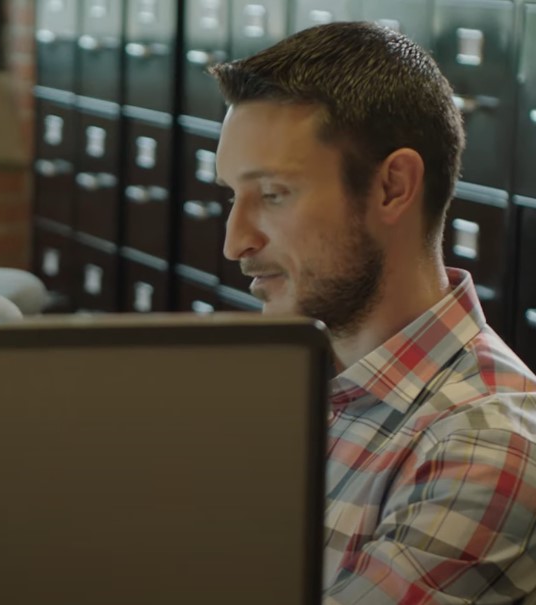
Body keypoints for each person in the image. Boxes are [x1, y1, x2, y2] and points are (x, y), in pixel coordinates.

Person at [211, 22, 536, 602]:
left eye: (274, 195)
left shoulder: (484, 451)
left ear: (392, 187)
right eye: (233, 196)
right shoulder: (293, 385)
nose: (235, 242)